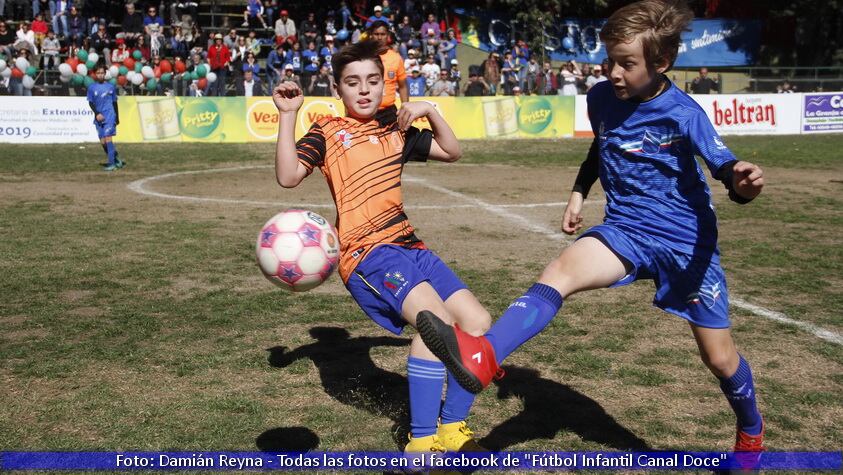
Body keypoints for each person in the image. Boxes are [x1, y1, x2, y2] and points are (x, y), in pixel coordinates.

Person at [414, 0, 768, 456]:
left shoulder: (684, 113)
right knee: (560, 270)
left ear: (661, 63)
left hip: (686, 245)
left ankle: (751, 433)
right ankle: (484, 355)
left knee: (720, 359)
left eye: (627, 64)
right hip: (626, 231)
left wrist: (743, 183)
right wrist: (579, 192)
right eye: (609, 62)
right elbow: (601, 149)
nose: (614, 73)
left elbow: (725, 168)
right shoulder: (601, 97)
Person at [272, 37, 491, 457]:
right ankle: (422, 440)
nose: (365, 89)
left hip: (411, 246)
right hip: (366, 252)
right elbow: (287, 176)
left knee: (476, 322)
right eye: (353, 82)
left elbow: (452, 150)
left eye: (373, 80)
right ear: (337, 90)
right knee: (435, 321)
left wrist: (430, 111)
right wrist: (288, 116)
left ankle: (453, 429)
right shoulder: (328, 132)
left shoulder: (396, 128)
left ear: (385, 83)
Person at [367, 20, 408, 125]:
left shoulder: (396, 58)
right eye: (376, 34)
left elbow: (403, 86)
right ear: (371, 35)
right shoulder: (364, 56)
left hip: (389, 113)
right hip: (366, 111)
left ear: (387, 36)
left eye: (382, 34)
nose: (379, 38)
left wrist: (406, 109)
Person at [87, 63, 124, 171]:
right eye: (98, 73)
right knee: (103, 142)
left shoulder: (110, 87)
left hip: (110, 116)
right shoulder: (91, 88)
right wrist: (97, 113)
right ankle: (116, 158)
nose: (100, 75)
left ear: (105, 73)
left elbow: (114, 103)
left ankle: (112, 164)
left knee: (108, 138)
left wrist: (117, 117)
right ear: (94, 74)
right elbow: (91, 103)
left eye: (102, 73)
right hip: (99, 117)